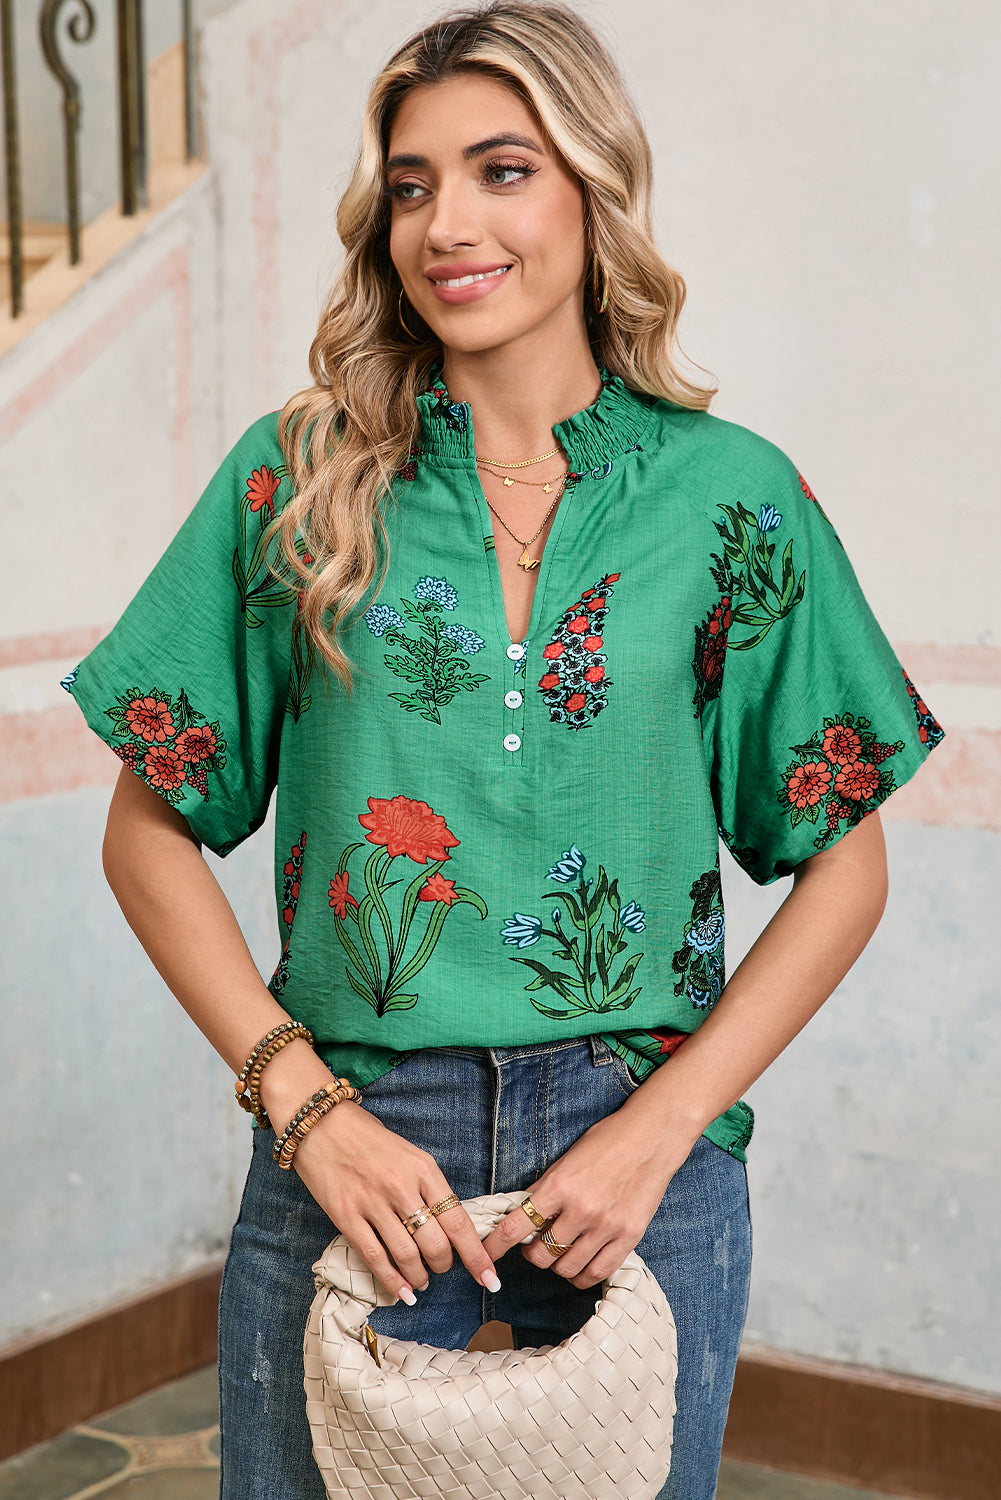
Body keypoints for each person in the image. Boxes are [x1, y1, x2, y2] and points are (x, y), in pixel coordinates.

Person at [62, 3, 944, 1496]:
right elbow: (145, 836)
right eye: (410, 186)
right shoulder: (298, 477)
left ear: (593, 189)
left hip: (635, 1149)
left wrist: (656, 1135)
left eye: (499, 170)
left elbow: (842, 872)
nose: (444, 224)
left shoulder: (730, 499)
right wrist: (308, 1110)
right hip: (351, 1145)